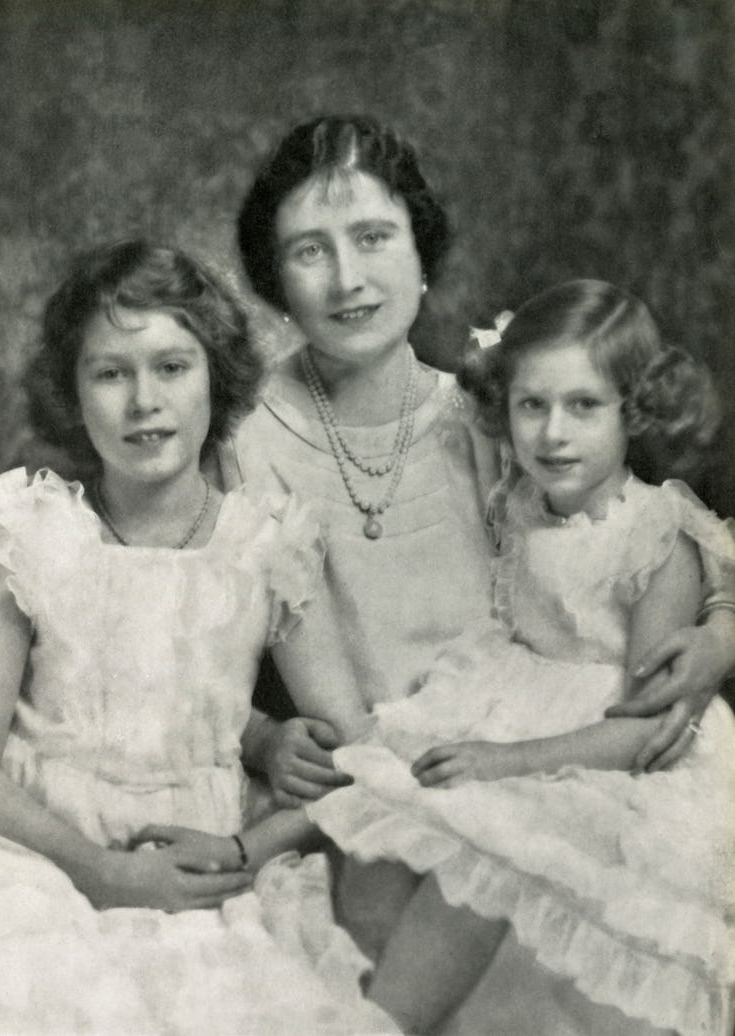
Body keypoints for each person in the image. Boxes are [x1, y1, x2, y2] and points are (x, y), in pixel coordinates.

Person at [224, 113, 735, 954]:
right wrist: (264, 738)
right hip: (386, 778)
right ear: (276, 280)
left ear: (422, 257)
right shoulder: (245, 441)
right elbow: (176, 631)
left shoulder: (500, 416)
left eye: (374, 236)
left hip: (544, 765)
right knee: (408, 929)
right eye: (310, 250)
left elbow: (637, 537)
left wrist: (721, 630)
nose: (348, 277)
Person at [0, 241, 397, 1035]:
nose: (145, 401)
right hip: (34, 848)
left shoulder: (268, 544)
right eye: (111, 373)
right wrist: (103, 874)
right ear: (72, 392)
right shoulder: (30, 532)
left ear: (217, 378)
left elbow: (359, 757)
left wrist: (247, 846)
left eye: (172, 367)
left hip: (211, 852)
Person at [306, 279, 735, 1036]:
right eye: (532, 406)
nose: (553, 435)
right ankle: (382, 1011)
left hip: (616, 760)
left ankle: (381, 1023)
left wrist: (506, 761)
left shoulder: (657, 535)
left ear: (634, 411)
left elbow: (646, 728)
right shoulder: (521, 501)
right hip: (512, 703)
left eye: (584, 407)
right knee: (374, 850)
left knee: (480, 868)